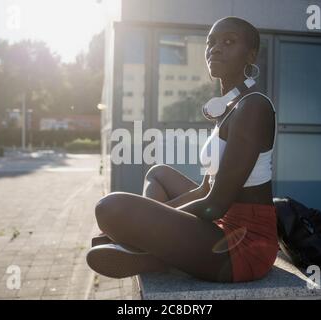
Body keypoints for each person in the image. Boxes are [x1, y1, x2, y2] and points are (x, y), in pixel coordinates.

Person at [86, 16, 279, 283]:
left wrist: (142, 228)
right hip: (220, 224)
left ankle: (149, 255)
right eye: (210, 42)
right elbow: (205, 189)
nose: (215, 48)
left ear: (251, 55)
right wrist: (149, 225)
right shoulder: (229, 109)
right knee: (159, 173)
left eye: (229, 41)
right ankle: (152, 253)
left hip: (245, 244)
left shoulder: (253, 107)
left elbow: (215, 205)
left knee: (109, 208)